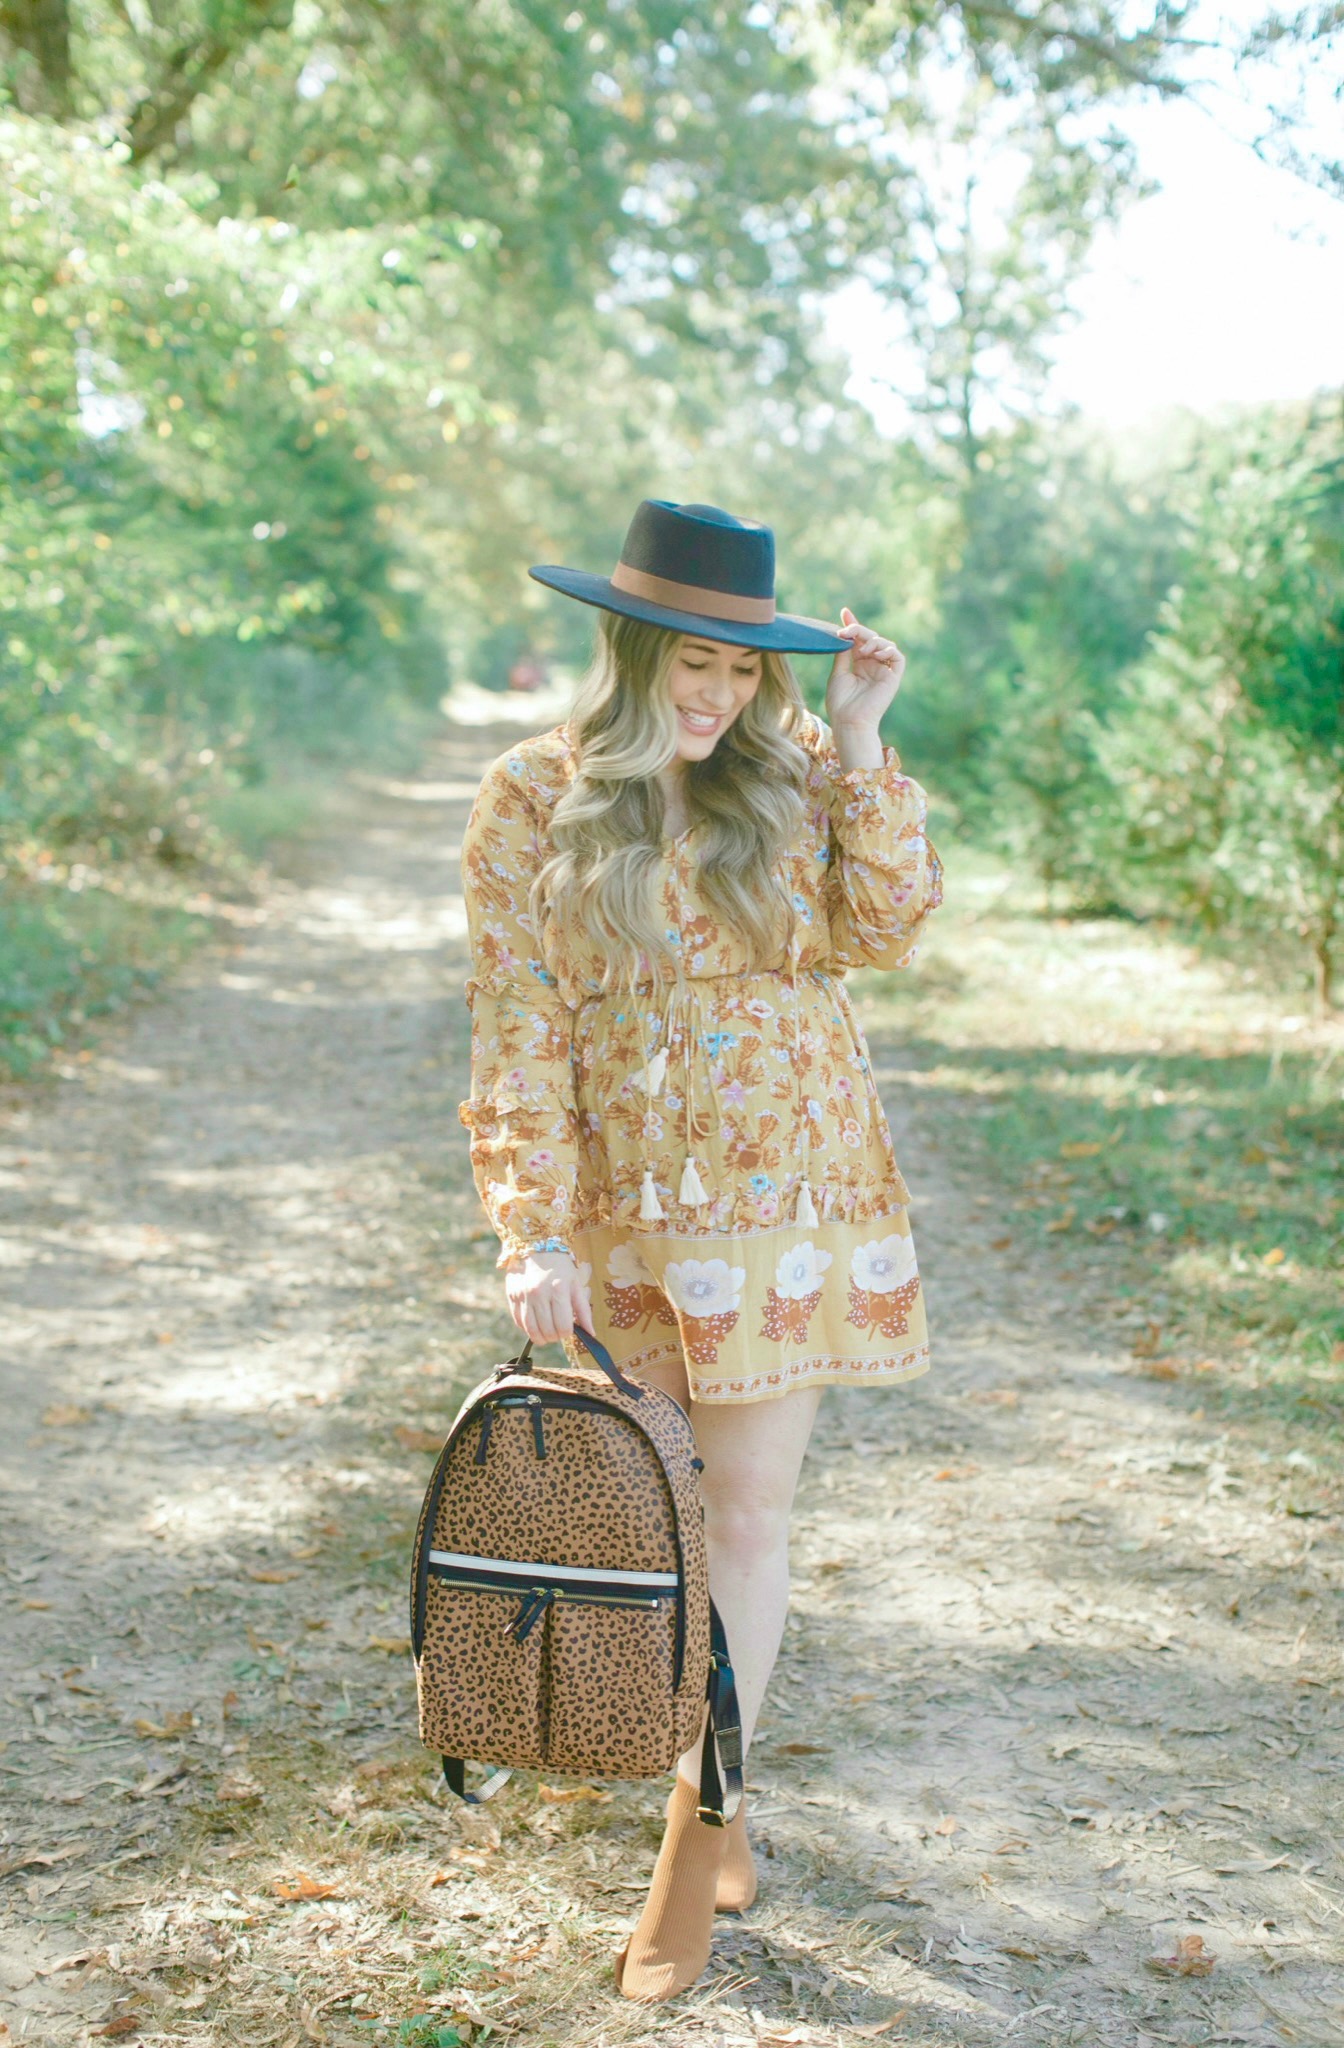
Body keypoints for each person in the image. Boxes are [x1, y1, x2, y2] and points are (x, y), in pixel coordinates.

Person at [457, 499, 943, 2002]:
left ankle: (701, 1826)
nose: (719, 694)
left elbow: (890, 922)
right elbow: (517, 1018)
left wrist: (859, 734)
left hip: (789, 1189)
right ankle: (706, 1783)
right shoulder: (532, 795)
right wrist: (530, 1220)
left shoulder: (793, 774)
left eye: (746, 670)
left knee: (744, 1510)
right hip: (626, 1198)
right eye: (695, 662)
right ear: (631, 644)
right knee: (645, 1512)